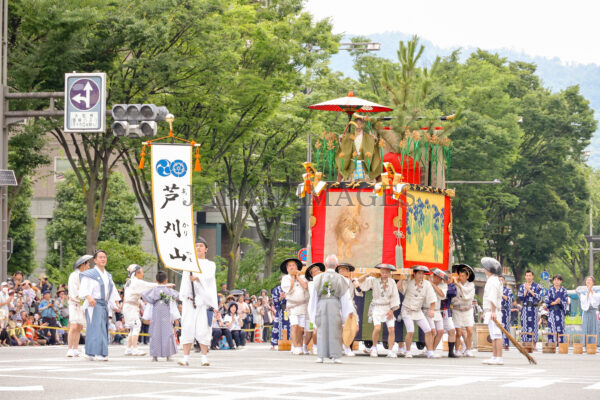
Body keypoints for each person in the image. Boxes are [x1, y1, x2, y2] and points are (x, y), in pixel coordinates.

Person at [178, 237, 218, 367]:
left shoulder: (210, 264)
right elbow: (185, 283)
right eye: (196, 246)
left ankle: (204, 356)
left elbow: (208, 277)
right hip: (189, 301)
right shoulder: (188, 264)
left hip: (203, 302)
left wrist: (198, 277)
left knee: (203, 329)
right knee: (187, 328)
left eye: (201, 246)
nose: (198, 248)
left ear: (206, 249)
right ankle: (185, 357)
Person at [308, 254, 354, 363]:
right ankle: (336, 356)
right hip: (335, 304)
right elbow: (345, 298)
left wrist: (312, 313)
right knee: (335, 330)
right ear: (337, 265)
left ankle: (320, 356)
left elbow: (313, 298)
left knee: (321, 330)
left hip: (321, 304)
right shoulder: (342, 279)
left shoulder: (317, 278)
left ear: (325, 264)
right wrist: (347, 313)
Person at [79, 250, 121, 361]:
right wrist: (88, 297)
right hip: (94, 303)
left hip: (104, 304)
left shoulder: (108, 275)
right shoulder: (90, 274)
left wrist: (115, 303)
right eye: (100, 257)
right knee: (95, 327)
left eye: (104, 257)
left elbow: (112, 291)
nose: (103, 259)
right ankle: (95, 352)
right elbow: (83, 287)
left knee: (103, 328)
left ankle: (96, 352)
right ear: (95, 260)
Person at [357, 263, 401, 358]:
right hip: (377, 307)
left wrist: (392, 310)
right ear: (380, 271)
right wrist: (368, 274)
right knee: (377, 328)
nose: (384, 273)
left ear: (389, 273)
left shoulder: (392, 282)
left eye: (386, 272)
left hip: (388, 307)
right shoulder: (374, 280)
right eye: (383, 271)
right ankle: (374, 347)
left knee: (392, 329)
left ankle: (390, 350)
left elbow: (395, 296)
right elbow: (359, 282)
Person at [396, 265, 437, 358]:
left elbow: (432, 297)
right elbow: (397, 288)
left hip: (418, 311)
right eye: (419, 273)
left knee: (428, 330)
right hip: (407, 310)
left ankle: (430, 351)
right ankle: (408, 351)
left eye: (422, 273)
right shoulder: (408, 282)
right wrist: (402, 278)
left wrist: (432, 310)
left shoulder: (427, 284)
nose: (421, 275)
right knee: (410, 331)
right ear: (414, 274)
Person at [123, 264, 162, 356]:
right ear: (137, 272)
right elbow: (148, 285)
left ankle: (129, 349)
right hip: (131, 307)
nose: (143, 273)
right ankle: (135, 348)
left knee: (133, 328)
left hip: (129, 306)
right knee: (136, 325)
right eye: (141, 271)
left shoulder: (130, 282)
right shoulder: (136, 282)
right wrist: (162, 285)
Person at [141, 271, 179, 361]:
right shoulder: (169, 291)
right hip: (166, 314)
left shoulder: (153, 291)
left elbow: (144, 294)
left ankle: (155, 356)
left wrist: (157, 287)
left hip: (156, 315)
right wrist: (166, 288)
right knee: (167, 334)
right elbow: (176, 295)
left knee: (155, 334)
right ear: (166, 280)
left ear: (156, 280)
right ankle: (168, 356)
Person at [280, 258, 309, 355]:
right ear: (287, 269)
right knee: (294, 326)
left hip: (302, 305)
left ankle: (300, 346)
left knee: (301, 328)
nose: (292, 267)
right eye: (289, 266)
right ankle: (295, 346)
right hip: (292, 305)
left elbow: (305, 286)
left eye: (293, 265)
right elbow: (289, 289)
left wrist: (298, 277)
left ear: (297, 267)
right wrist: (292, 277)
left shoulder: (303, 277)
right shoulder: (285, 278)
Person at [66, 254, 92, 357]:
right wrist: (82, 297)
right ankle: (69, 349)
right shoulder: (74, 275)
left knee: (79, 327)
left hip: (82, 303)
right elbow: (74, 291)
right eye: (88, 264)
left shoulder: (85, 276)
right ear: (83, 265)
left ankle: (76, 348)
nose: (89, 266)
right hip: (74, 303)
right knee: (73, 325)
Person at [481, 257, 504, 365]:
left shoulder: (493, 281)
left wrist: (493, 311)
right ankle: (495, 356)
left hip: (493, 310)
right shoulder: (493, 280)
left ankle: (499, 357)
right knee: (494, 335)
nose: (484, 269)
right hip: (491, 310)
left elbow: (492, 297)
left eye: (485, 268)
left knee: (497, 335)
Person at [335, 262, 360, 357]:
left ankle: (347, 345)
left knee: (355, 328)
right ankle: (345, 347)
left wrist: (353, 280)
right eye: (340, 270)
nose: (342, 272)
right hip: (339, 306)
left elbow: (359, 291)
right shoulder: (336, 281)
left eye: (344, 270)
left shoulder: (352, 281)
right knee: (341, 327)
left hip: (351, 305)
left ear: (348, 271)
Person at [451, 263, 476, 357]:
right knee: (458, 332)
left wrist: (459, 285)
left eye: (463, 276)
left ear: (467, 276)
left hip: (467, 310)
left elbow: (468, 296)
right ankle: (457, 349)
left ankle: (468, 349)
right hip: (457, 310)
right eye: (460, 275)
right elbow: (453, 297)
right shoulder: (454, 284)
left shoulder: (471, 285)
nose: (460, 277)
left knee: (469, 330)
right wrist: (456, 284)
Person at [518, 270, 542, 349]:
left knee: (534, 325)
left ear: (532, 276)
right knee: (524, 325)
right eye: (527, 275)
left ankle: (534, 345)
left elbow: (539, 297)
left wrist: (530, 290)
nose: (528, 277)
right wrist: (526, 290)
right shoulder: (522, 286)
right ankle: (525, 344)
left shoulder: (537, 286)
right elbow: (520, 297)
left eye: (530, 275)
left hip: (534, 308)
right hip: (525, 308)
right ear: (525, 277)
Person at [305, 262, 325, 355]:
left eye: (317, 270)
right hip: (314, 309)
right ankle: (315, 346)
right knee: (314, 328)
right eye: (313, 272)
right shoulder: (311, 283)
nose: (316, 272)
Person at [544, 274, 568, 348]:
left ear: (561, 281)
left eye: (558, 280)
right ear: (553, 281)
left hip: (560, 312)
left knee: (560, 328)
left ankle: (561, 345)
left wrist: (560, 302)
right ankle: (551, 345)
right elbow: (547, 301)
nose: (556, 281)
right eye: (555, 280)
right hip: (552, 312)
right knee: (551, 328)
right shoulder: (550, 290)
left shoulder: (564, 290)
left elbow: (566, 301)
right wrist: (555, 302)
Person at [430, 268, 448, 355]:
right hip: (428, 310)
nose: (437, 279)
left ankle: (432, 349)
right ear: (433, 276)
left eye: (439, 278)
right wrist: (431, 283)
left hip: (437, 310)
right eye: (435, 277)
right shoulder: (427, 283)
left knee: (440, 331)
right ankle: (429, 349)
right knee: (432, 331)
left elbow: (442, 295)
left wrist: (433, 285)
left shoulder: (443, 285)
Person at [579, 276, 600, 349]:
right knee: (585, 327)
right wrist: (588, 291)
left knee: (594, 327)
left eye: (590, 280)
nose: (588, 281)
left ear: (593, 282)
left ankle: (594, 343)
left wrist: (591, 290)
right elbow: (583, 300)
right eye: (587, 280)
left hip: (593, 311)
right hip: (586, 311)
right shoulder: (582, 292)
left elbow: (597, 300)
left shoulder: (597, 291)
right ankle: (585, 344)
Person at [270, 283, 290, 350]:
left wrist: (287, 297)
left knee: (291, 327)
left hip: (290, 310)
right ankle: (273, 344)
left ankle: (292, 343)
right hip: (281, 310)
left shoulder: (291, 287)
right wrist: (281, 297)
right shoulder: (276, 290)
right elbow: (275, 301)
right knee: (276, 326)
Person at [498, 275, 513, 350]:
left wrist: (501, 294)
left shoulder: (508, 290)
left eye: (502, 280)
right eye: (499, 280)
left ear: (504, 281)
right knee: (497, 327)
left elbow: (509, 300)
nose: (500, 281)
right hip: (497, 310)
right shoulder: (495, 290)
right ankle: (498, 344)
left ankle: (506, 344)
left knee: (506, 327)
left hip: (505, 311)